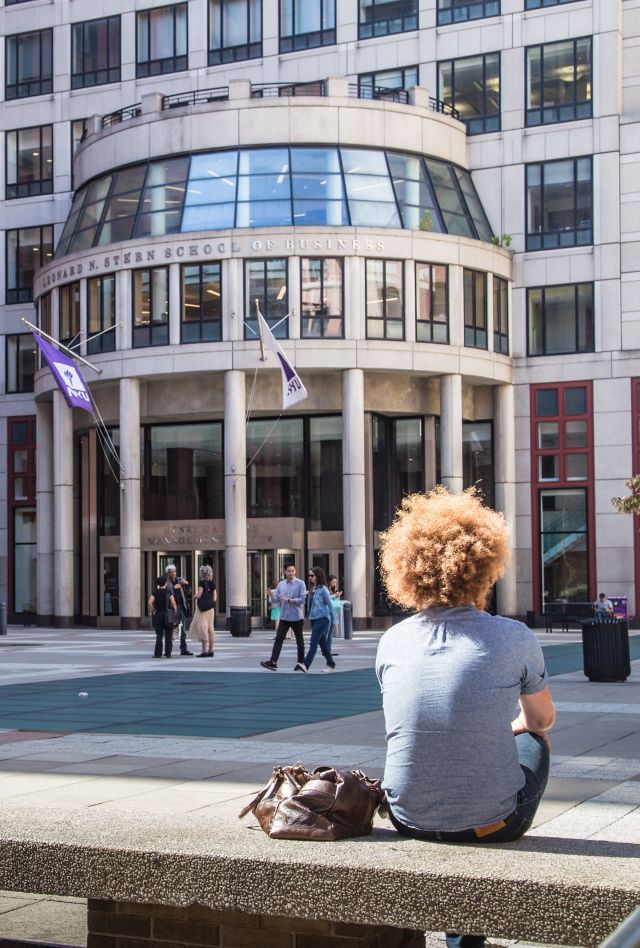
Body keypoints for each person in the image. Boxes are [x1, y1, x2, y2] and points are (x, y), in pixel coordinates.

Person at [376, 487, 555, 948]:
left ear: (409, 569)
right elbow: (542, 720)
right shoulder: (513, 636)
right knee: (532, 744)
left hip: (405, 814)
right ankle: (467, 939)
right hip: (490, 822)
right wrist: (512, 725)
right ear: (485, 566)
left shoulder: (392, 640)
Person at [260, 564, 306, 671]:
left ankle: (301, 662)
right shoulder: (281, 584)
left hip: (297, 617)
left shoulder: (300, 583)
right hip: (285, 617)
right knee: (279, 638)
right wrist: (271, 595)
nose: (291, 573)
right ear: (285, 572)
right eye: (289, 571)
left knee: (299, 640)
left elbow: (302, 600)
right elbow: (276, 601)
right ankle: (273, 661)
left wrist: (289, 600)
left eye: (293, 571)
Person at [297, 566, 336, 673]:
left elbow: (330, 605)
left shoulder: (323, 589)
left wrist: (335, 620)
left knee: (313, 642)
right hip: (314, 618)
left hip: (323, 618)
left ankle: (306, 664)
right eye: (309, 575)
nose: (310, 577)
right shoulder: (313, 589)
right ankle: (331, 664)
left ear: (318, 576)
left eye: (312, 575)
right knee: (323, 644)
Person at [165, 565, 194, 656]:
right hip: (172, 608)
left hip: (181, 607)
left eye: (174, 571)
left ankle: (183, 649)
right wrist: (174, 588)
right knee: (171, 630)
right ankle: (168, 650)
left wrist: (187, 584)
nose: (173, 573)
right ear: (168, 573)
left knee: (183, 630)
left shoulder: (179, 580)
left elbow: (188, 593)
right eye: (171, 572)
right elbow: (167, 594)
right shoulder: (166, 582)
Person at [148, 576, 177, 659]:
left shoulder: (155, 592)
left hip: (158, 615)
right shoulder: (168, 592)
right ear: (165, 583)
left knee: (159, 635)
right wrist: (174, 612)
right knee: (168, 635)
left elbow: (150, 602)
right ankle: (168, 653)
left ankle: (158, 654)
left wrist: (153, 610)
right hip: (167, 615)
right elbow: (173, 603)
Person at [191, 564, 217, 657]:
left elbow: (199, 595)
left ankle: (204, 650)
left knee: (203, 627)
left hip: (202, 610)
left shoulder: (202, 583)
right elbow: (215, 598)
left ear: (201, 574)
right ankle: (211, 650)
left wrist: (195, 596)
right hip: (211, 609)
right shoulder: (213, 584)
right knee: (211, 628)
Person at [327, 574, 342, 656]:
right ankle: (326, 650)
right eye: (333, 582)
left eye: (336, 582)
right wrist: (334, 596)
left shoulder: (333, 590)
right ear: (329, 582)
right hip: (326, 612)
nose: (335, 584)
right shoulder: (325, 589)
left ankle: (328, 650)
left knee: (330, 633)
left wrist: (337, 596)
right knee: (327, 632)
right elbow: (327, 598)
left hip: (332, 612)